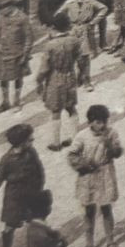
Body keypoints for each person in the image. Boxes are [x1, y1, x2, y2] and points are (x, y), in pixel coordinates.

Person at [68, 104, 124, 247]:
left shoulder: (111, 133)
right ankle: (89, 244)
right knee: (89, 211)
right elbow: (72, 155)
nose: (103, 125)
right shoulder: (82, 136)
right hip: (88, 177)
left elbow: (118, 152)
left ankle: (111, 241)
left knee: (106, 208)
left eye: (105, 121)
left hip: (105, 174)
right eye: (99, 122)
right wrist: (84, 164)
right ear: (90, 122)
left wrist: (110, 146)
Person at [33, 12, 82, 151]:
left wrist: (39, 82)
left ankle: (55, 142)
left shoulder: (50, 45)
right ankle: (75, 138)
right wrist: (81, 74)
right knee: (71, 107)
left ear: (54, 28)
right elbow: (81, 59)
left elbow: (44, 68)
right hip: (70, 76)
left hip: (55, 78)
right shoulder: (74, 41)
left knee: (56, 110)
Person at [57, 0, 109, 93]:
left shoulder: (90, 0)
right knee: (74, 56)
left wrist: (94, 21)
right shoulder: (69, 3)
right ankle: (78, 77)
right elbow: (59, 14)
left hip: (86, 30)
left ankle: (87, 81)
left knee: (85, 56)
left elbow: (104, 9)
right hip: (72, 31)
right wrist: (65, 25)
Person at [0, 0, 32, 113]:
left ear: (10, 7)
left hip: (17, 53)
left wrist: (25, 54)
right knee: (2, 76)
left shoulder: (23, 18)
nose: (1, 11)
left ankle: (16, 101)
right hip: (2, 52)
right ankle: (5, 102)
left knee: (18, 76)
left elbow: (29, 38)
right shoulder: (2, 16)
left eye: (3, 8)